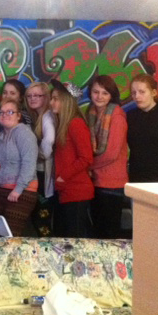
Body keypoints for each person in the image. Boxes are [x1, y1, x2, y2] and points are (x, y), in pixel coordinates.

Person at [0, 99, 38, 236]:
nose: (5, 115)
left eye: (10, 112)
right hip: (2, 190)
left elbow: (29, 163)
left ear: (18, 115)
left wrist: (18, 189)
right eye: (1, 112)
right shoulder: (0, 136)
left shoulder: (24, 134)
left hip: (21, 192)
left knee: (11, 235)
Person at [86, 75, 128, 239]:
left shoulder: (117, 116)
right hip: (96, 180)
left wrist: (87, 165)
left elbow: (111, 154)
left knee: (109, 233)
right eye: (96, 92)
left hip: (112, 183)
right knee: (97, 231)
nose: (99, 97)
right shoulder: (91, 113)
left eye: (105, 93)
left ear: (112, 95)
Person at [49, 80, 94, 238]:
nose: (51, 102)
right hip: (66, 190)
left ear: (66, 101)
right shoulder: (64, 124)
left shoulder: (76, 124)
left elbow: (86, 158)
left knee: (75, 239)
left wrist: (63, 176)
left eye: (55, 98)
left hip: (77, 191)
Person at [25, 82, 56, 236]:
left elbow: (49, 142)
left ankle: (47, 248)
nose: (32, 99)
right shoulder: (38, 116)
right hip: (41, 173)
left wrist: (36, 155)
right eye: (29, 96)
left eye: (37, 95)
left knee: (42, 217)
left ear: (46, 97)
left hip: (44, 174)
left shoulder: (47, 116)